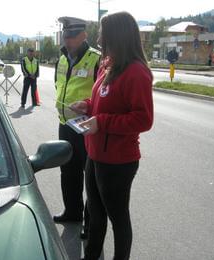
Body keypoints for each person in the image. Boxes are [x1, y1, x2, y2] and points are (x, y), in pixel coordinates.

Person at [70, 12, 154, 260]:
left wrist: (102, 122)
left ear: (116, 36)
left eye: (102, 34)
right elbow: (104, 102)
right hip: (95, 154)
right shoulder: (108, 65)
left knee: (118, 218)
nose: (98, 38)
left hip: (118, 161)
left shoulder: (137, 72)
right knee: (95, 214)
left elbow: (143, 119)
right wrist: (87, 105)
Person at [53, 16, 101, 237]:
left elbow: (102, 96)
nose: (68, 40)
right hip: (65, 124)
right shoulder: (61, 59)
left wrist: (89, 110)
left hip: (86, 127)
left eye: (72, 36)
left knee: (90, 176)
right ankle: (72, 211)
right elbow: (59, 85)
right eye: (66, 36)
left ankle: (91, 225)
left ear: (84, 35)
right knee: (68, 171)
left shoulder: (96, 60)